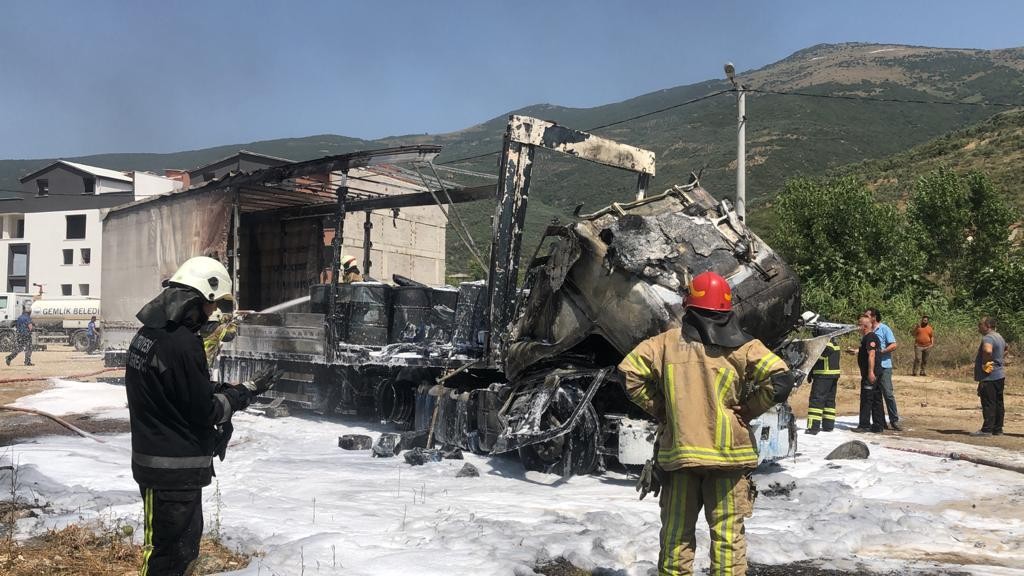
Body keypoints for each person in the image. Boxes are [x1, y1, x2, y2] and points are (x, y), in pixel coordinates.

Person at [618, 271, 798, 576]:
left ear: (689, 306)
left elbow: (629, 373)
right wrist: (750, 410)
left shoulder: (663, 344)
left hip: (681, 458)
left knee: (676, 538)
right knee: (728, 539)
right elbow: (781, 379)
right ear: (726, 309)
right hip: (729, 460)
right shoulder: (745, 346)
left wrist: (663, 409)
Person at [126, 256, 280, 575]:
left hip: (165, 468)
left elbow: (179, 389)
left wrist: (230, 388)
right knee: (166, 557)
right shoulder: (182, 344)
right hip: (171, 473)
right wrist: (240, 396)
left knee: (176, 552)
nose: (212, 314)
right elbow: (203, 410)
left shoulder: (150, 335)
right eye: (211, 306)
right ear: (196, 299)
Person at [865, 308, 901, 431]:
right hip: (874, 367)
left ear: (874, 317)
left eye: (867, 315)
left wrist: (882, 351)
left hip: (885, 366)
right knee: (876, 395)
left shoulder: (884, 329)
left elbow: (894, 344)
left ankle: (894, 420)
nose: (865, 317)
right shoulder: (868, 331)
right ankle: (880, 421)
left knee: (888, 393)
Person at [972, 316, 1005, 437]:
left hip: (989, 376)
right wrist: (999, 360)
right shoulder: (999, 336)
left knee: (988, 402)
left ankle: (987, 430)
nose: (978, 327)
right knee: (998, 402)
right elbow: (1006, 348)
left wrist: (986, 363)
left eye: (980, 324)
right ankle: (998, 428)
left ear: (987, 326)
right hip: (1000, 374)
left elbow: (987, 351)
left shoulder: (988, 337)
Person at [855, 314, 885, 433]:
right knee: (876, 398)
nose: (858, 327)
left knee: (867, 398)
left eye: (859, 324)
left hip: (871, 374)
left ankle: (864, 425)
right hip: (875, 373)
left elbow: (872, 355)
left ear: (865, 326)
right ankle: (878, 425)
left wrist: (870, 372)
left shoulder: (870, 337)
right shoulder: (869, 338)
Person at [806, 335, 841, 434]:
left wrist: (810, 353)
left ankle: (813, 427)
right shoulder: (834, 342)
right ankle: (828, 425)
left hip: (823, 375)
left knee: (816, 400)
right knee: (829, 401)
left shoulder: (827, 343)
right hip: (832, 375)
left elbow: (819, 356)